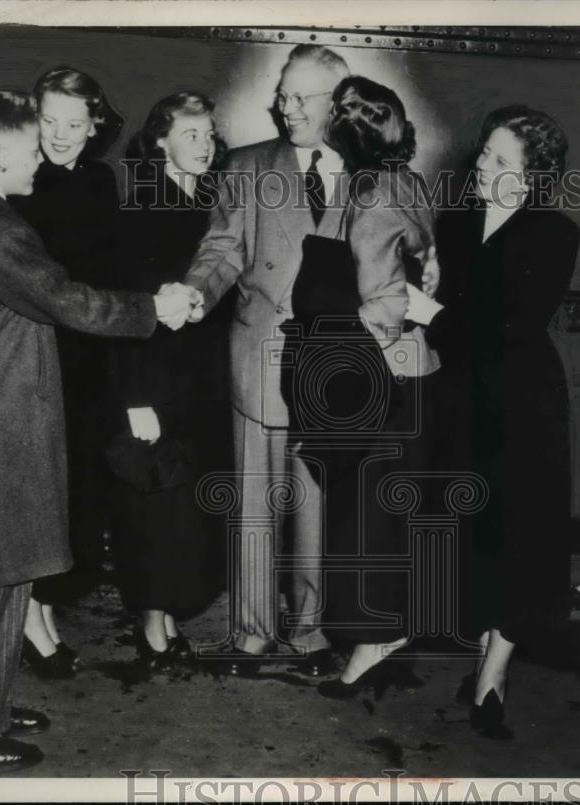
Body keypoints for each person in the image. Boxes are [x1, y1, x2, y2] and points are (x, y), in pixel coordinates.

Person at [0, 89, 197, 772]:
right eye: (33, 150)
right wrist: (158, 306)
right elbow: (72, 302)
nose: (42, 161)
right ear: (2, 152)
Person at [404, 105, 580, 738]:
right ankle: (476, 647)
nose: (482, 167)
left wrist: (431, 313)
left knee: (520, 538)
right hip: (462, 401)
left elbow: (513, 328)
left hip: (523, 408)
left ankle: (493, 675)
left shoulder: (555, 234)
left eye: (500, 161)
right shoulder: (453, 222)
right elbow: (446, 303)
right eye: (484, 154)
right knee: (472, 532)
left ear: (533, 177)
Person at [181, 45, 352, 677]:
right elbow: (221, 249)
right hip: (261, 353)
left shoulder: (371, 170)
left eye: (302, 96)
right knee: (254, 502)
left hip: (334, 365)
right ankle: (252, 633)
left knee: (318, 504)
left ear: (340, 101)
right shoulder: (247, 167)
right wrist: (195, 292)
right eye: (283, 95)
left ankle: (309, 633)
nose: (288, 107)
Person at [293, 75, 443, 701]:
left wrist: (353, 366)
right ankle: (380, 635)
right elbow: (426, 275)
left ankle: (373, 642)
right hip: (404, 374)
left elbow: (384, 299)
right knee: (382, 517)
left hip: (380, 380)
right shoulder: (403, 183)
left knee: (367, 522)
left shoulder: (373, 192)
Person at [9, 67, 125, 678]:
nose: (59, 134)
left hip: (88, 355)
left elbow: (106, 274)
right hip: (34, 351)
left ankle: (43, 608)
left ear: (95, 124)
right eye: (49, 120)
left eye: (74, 124)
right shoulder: (19, 179)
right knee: (38, 491)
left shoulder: (102, 181)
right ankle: (31, 619)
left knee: (78, 491)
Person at [112, 91, 233, 668]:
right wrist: (136, 398)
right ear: (160, 141)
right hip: (155, 383)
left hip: (203, 382)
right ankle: (151, 623)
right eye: (191, 134)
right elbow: (126, 308)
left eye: (209, 134)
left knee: (186, 510)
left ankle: (169, 613)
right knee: (154, 507)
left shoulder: (217, 199)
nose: (204, 145)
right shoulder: (138, 208)